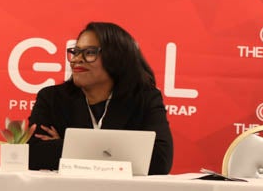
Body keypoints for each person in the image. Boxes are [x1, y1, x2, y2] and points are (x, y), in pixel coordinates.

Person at [28, 22, 173, 174]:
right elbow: (34, 154)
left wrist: (66, 146)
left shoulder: (144, 99)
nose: (77, 59)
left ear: (116, 58)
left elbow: (160, 160)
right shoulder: (52, 98)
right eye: (76, 52)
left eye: (90, 52)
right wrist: (119, 153)